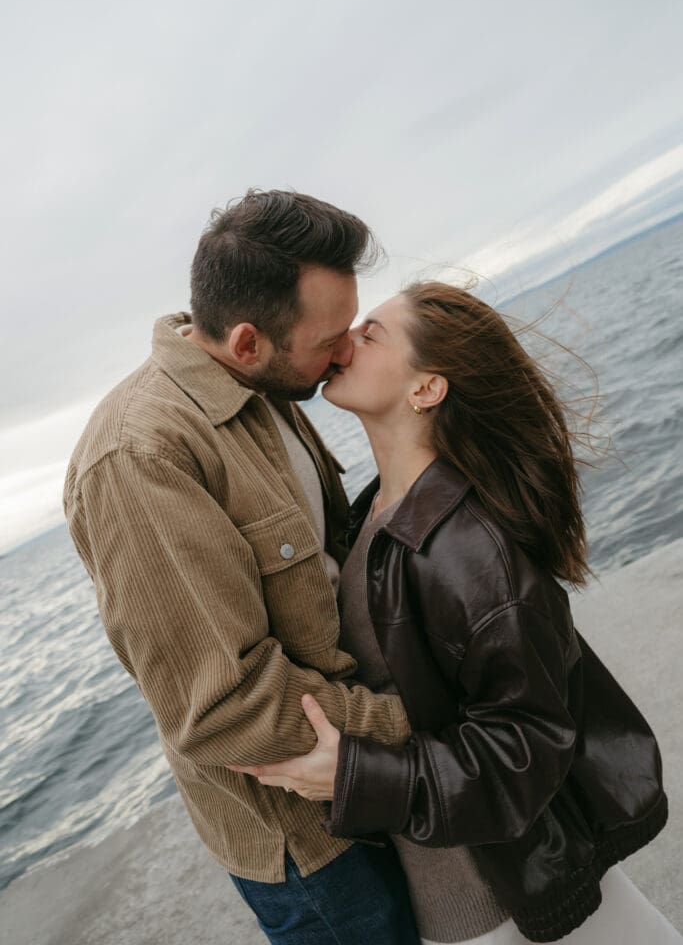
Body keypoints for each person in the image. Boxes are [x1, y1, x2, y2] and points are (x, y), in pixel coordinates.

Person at [231, 282, 681, 944]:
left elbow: (522, 750)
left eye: (371, 332)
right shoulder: (376, 518)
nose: (344, 340)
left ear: (425, 389)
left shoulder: (466, 548)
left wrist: (358, 776)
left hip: (498, 905)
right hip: (465, 890)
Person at [64, 190, 421, 945]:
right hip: (315, 845)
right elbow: (224, 703)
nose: (347, 349)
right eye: (330, 339)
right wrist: (417, 726)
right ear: (250, 340)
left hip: (359, 777)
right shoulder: (140, 456)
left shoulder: (263, 387)